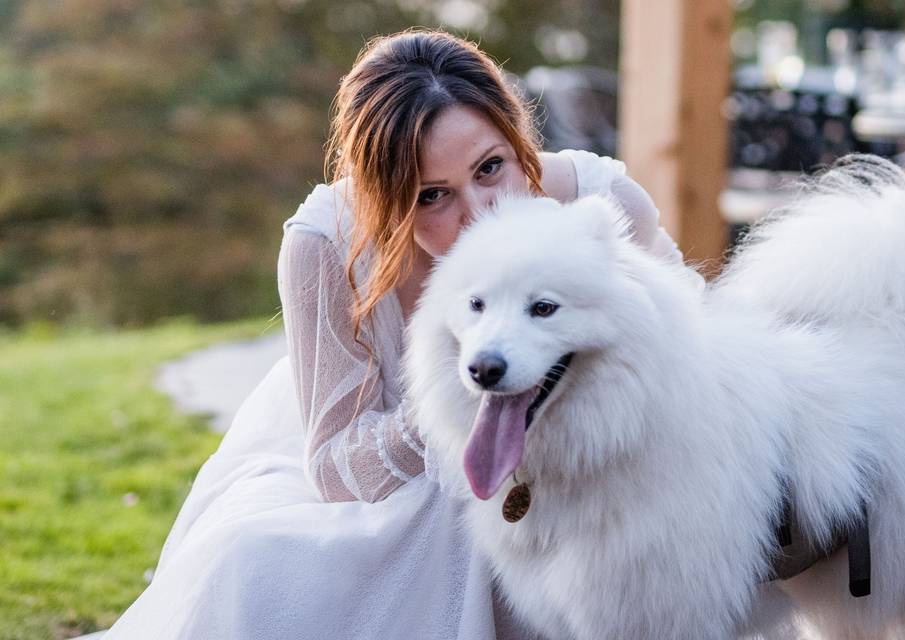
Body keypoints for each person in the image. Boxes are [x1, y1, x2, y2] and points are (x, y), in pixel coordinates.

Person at [102, 28, 684, 640]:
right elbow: (331, 467)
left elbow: (690, 350)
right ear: (385, 199)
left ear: (518, 142)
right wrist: (449, 407)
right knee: (253, 563)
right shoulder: (324, 243)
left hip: (588, 470)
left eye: (491, 167)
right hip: (383, 473)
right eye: (433, 196)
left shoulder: (600, 203)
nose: (479, 213)